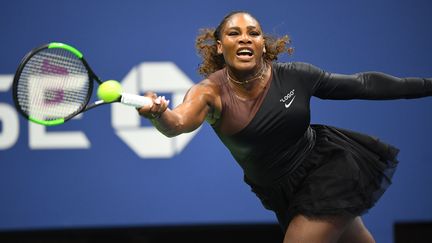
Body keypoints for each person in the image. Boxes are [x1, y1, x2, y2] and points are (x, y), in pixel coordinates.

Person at [137, 11, 432, 243]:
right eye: (234, 33)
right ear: (219, 46)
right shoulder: (208, 93)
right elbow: (177, 124)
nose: (245, 39)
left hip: (328, 170)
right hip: (280, 191)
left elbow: (363, 85)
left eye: (253, 33)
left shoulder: (296, 76)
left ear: (262, 44)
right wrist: (158, 114)